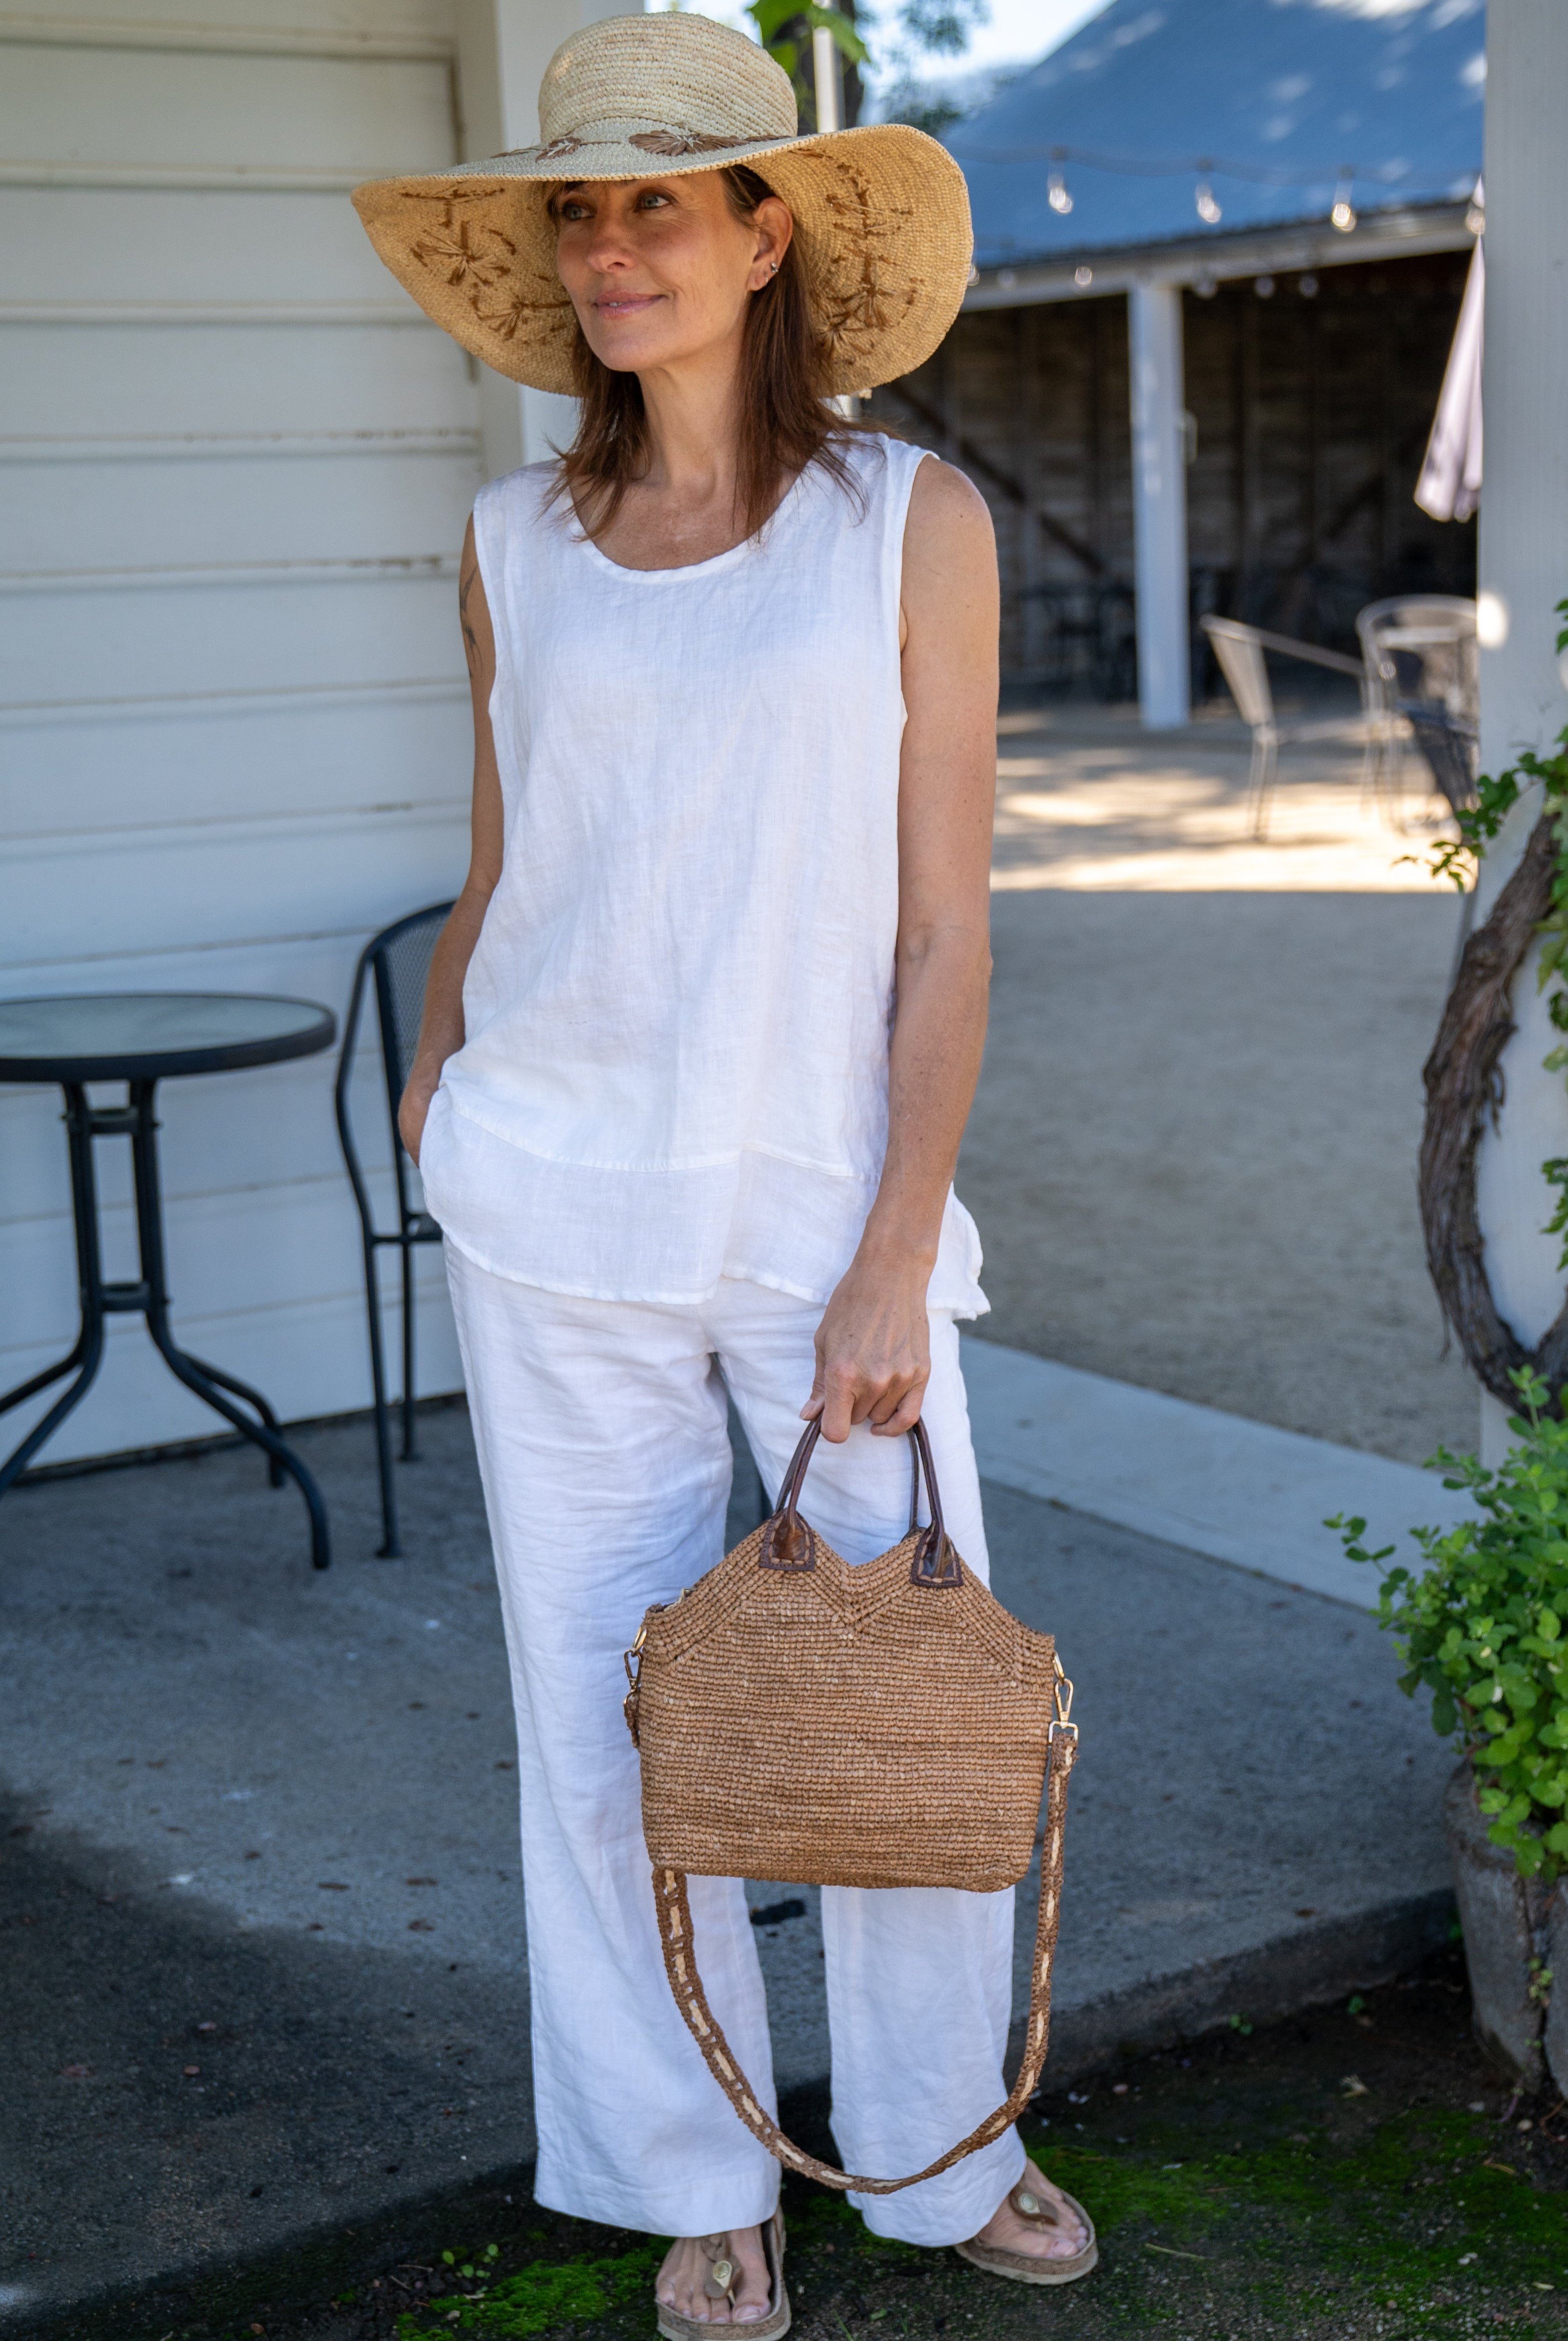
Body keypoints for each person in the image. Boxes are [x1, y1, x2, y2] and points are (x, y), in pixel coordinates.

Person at [352, 14, 1094, 2330]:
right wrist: (444, 1063)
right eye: (577, 209)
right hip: (546, 1206)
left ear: (767, 233)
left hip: (812, 1212)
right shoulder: (509, 543)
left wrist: (898, 1249)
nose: (607, 248)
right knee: (601, 1712)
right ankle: (696, 2165)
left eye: (653, 202)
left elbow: (952, 921)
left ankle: (937, 2148)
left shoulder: (914, 522)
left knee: (891, 1710)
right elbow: (515, 859)